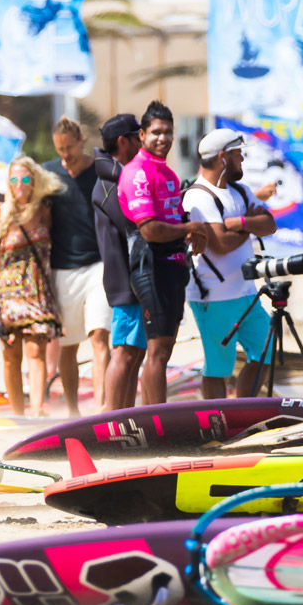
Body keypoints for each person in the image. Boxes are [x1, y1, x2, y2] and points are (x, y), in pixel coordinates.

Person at [116, 101, 211, 406]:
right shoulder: (138, 172)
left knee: (163, 348)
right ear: (142, 135)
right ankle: (156, 419)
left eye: (168, 132)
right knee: (157, 350)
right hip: (150, 267)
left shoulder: (167, 174)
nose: (163, 138)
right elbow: (149, 230)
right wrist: (192, 228)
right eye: (156, 132)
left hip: (172, 267)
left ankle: (152, 415)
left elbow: (169, 221)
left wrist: (187, 228)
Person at [183, 129, 279, 399]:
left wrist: (238, 222)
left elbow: (269, 225)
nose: (243, 161)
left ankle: (242, 411)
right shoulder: (198, 195)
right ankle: (217, 420)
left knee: (265, 352)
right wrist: (250, 224)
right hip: (213, 297)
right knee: (218, 367)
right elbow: (221, 244)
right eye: (239, 155)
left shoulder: (239, 190)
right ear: (223, 157)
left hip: (246, 294)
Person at [0, 158, 63, 417]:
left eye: (25, 179)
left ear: (34, 182)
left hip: (37, 289)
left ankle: (37, 409)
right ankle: (18, 411)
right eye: (14, 180)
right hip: (7, 292)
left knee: (36, 349)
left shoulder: (44, 211)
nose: (19, 185)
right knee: (11, 354)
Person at [41, 117, 111, 417]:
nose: (66, 154)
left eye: (70, 147)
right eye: (60, 149)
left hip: (99, 265)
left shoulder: (101, 169)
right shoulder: (49, 173)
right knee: (68, 346)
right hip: (61, 269)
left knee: (99, 337)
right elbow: (23, 201)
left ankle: (102, 409)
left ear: (81, 140)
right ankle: (73, 411)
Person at [91, 114, 146, 411]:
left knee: (134, 352)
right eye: (138, 136)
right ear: (123, 141)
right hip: (125, 282)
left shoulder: (116, 176)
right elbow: (136, 222)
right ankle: (111, 421)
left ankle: (124, 417)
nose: (143, 141)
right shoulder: (110, 182)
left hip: (133, 280)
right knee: (124, 352)